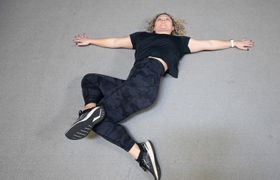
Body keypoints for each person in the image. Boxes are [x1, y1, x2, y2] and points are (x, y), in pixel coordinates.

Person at [65, 12, 254, 180]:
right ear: (153, 26)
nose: (163, 22)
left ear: (173, 27)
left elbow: (208, 44)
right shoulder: (141, 38)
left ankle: (91, 117)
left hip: (146, 84)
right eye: (159, 20)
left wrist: (233, 43)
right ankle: (136, 150)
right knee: (90, 80)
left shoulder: (179, 42)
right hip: (132, 83)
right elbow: (115, 41)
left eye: (167, 20)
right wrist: (91, 40)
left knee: (95, 118)